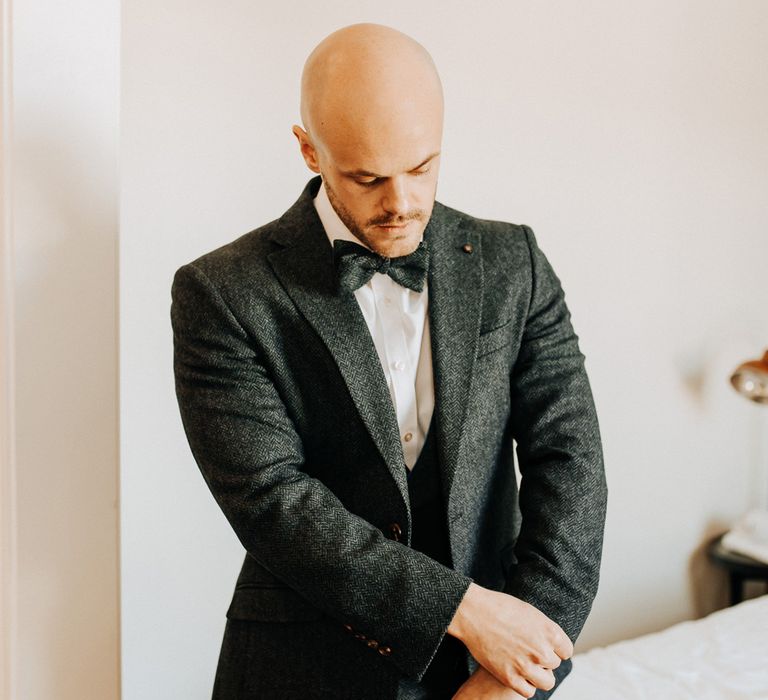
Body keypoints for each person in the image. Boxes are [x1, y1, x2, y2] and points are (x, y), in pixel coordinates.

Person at [171, 23, 607, 700]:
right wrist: (468, 613)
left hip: (491, 671)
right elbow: (272, 501)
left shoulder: (512, 262)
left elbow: (571, 461)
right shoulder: (223, 293)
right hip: (305, 668)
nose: (401, 204)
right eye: (368, 178)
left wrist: (519, 665)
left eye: (422, 168)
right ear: (309, 149)